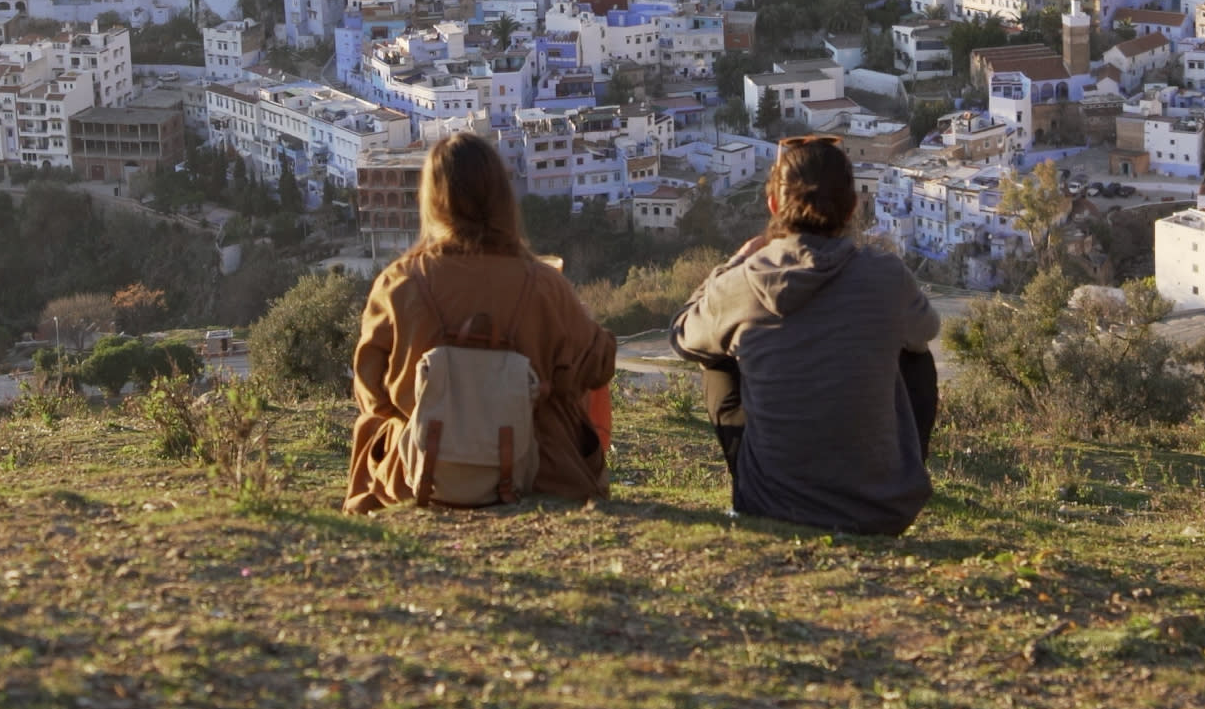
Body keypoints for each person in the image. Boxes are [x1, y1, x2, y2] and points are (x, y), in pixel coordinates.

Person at [671, 136, 940, 535]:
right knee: (915, 353)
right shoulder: (886, 275)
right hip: (882, 514)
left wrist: (733, 264)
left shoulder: (741, 283)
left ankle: (761, 486)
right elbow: (927, 329)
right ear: (853, 206)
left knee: (715, 356)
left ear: (773, 204)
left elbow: (682, 335)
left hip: (771, 506)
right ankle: (891, 479)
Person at [343, 131, 617, 513]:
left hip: (415, 473)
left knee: (371, 427)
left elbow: (371, 392)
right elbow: (598, 366)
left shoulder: (400, 282)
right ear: (502, 197)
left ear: (432, 199)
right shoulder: (545, 286)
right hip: (541, 470)